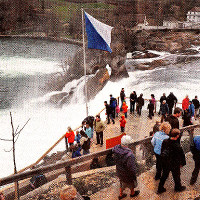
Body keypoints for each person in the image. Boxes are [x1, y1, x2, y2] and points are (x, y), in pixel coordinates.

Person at [157, 129, 186, 194]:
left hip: (165, 162)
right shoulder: (177, 146)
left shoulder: (165, 141)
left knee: (164, 175)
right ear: (177, 136)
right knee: (176, 176)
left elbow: (162, 150)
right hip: (174, 164)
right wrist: (182, 163)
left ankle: (160, 188)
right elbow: (181, 156)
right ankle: (178, 187)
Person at [113, 135, 140, 199]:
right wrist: (134, 175)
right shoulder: (130, 155)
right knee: (131, 183)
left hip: (119, 171)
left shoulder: (116, 149)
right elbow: (131, 169)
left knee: (121, 183)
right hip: (127, 175)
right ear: (128, 144)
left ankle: (120, 195)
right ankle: (132, 193)